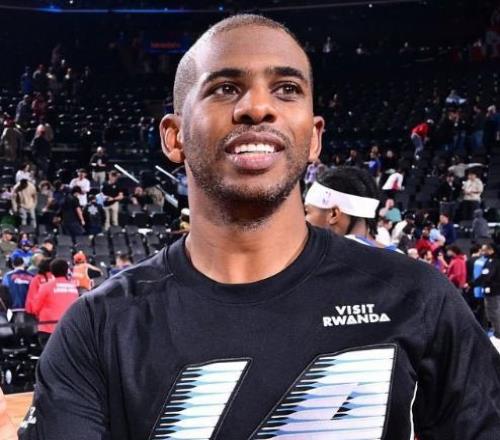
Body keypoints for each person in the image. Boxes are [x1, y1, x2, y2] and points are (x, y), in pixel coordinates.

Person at [5, 14, 500, 440]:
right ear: (174, 137)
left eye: (287, 89)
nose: (258, 107)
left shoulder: (417, 298)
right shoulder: (98, 327)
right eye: (225, 88)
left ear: (314, 137)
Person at [304, 167, 398, 250]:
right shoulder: (400, 258)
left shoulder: (323, 259)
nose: (303, 219)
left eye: (306, 212)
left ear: (333, 214)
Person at [25, 258, 78, 348]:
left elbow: (34, 308)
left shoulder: (46, 286)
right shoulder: (74, 287)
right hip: (69, 328)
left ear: (52, 271)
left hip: (48, 329)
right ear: (67, 271)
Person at [470, 243, 500, 352]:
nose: (482, 252)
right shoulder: (491, 261)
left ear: (491, 250)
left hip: (493, 292)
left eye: (484, 250)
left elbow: (486, 276)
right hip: (492, 291)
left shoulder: (493, 262)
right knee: (492, 313)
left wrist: (472, 284)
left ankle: (498, 334)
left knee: (493, 313)